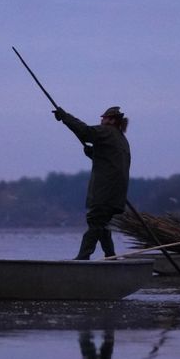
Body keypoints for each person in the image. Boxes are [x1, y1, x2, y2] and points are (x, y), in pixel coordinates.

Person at [55, 105, 131, 260]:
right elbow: (111, 162)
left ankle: (82, 258)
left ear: (111, 120)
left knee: (95, 222)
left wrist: (65, 117)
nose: (101, 120)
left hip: (105, 193)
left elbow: (85, 132)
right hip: (116, 194)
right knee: (102, 225)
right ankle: (111, 257)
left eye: (104, 117)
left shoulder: (107, 132)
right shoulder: (121, 139)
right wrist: (94, 154)